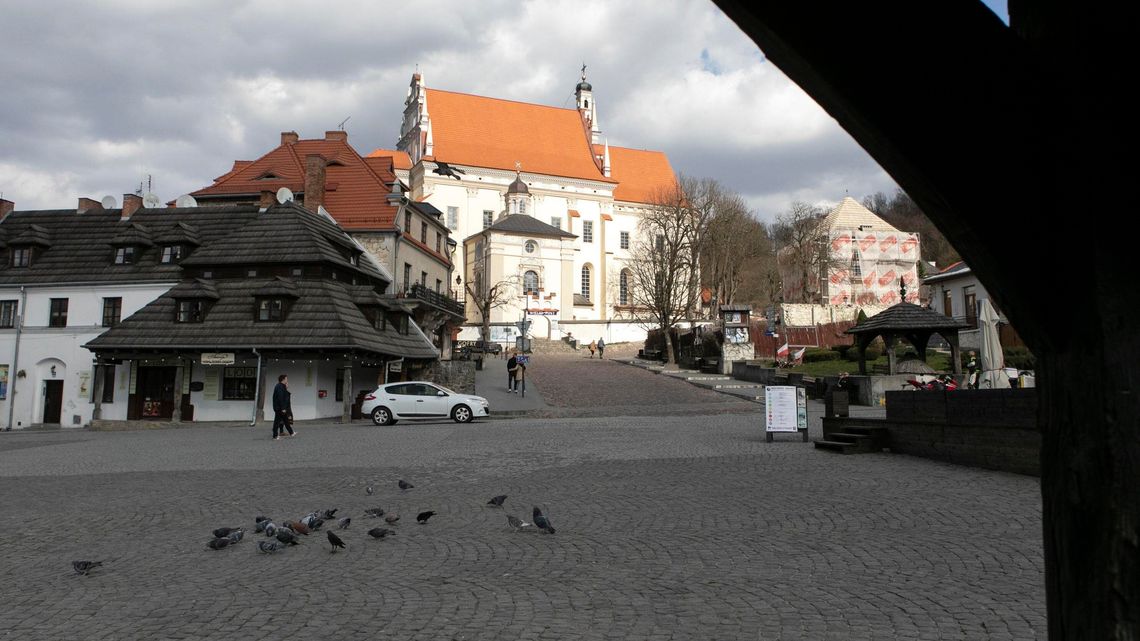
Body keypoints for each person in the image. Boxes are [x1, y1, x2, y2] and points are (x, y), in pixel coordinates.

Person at [272, 374, 295, 440]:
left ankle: (291, 432)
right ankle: (275, 436)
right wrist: (283, 408)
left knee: (286, 420)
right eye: (286, 379)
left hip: (280, 407)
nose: (287, 380)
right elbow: (281, 398)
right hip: (279, 408)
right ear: (283, 379)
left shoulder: (281, 386)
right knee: (277, 422)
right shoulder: (279, 386)